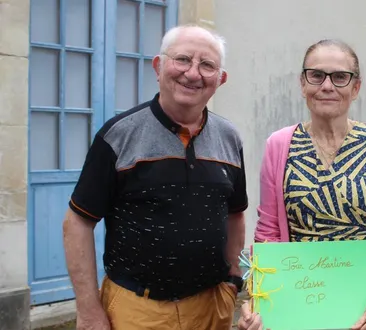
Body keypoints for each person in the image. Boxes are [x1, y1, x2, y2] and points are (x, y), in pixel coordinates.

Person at [62, 24, 248, 330]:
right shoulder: (118, 136)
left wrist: (233, 280)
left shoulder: (229, 137)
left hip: (212, 309)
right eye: (183, 59)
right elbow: (78, 222)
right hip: (136, 311)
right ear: (158, 67)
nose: (193, 73)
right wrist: (88, 309)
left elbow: (235, 214)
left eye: (207, 65)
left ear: (220, 79)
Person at [238, 39, 366, 330]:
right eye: (316, 75)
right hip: (300, 308)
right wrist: (259, 301)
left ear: (355, 87)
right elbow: (268, 234)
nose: (327, 86)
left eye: (340, 77)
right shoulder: (279, 145)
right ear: (302, 84)